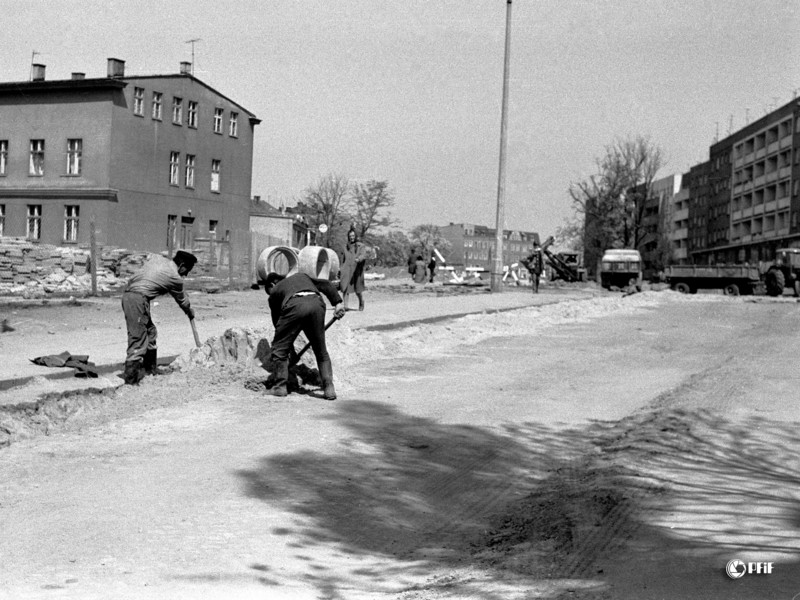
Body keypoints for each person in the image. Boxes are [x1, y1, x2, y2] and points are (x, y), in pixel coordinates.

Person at [264, 271, 346, 400]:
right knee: (320, 351)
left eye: (269, 291)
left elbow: (279, 327)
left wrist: (286, 351)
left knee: (279, 349)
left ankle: (279, 387)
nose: (270, 294)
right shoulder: (302, 276)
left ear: (272, 284)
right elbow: (326, 284)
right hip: (316, 304)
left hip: (294, 306)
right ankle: (329, 389)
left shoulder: (274, 292)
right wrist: (338, 303)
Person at [121, 250, 197, 384]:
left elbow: (134, 278)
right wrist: (189, 311)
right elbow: (182, 300)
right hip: (137, 299)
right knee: (137, 338)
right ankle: (131, 380)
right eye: (187, 270)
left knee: (150, 332)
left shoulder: (160, 262)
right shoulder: (174, 276)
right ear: (182, 265)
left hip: (134, 297)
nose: (186, 274)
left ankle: (150, 370)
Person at [339, 228, 367, 311]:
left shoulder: (361, 246)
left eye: (353, 236)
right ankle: (345, 306)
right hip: (347, 269)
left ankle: (361, 301)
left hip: (356, 269)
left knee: (358, 289)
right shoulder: (345, 247)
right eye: (350, 236)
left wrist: (359, 259)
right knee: (345, 287)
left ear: (356, 236)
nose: (352, 237)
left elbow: (363, 255)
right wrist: (340, 268)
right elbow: (342, 259)